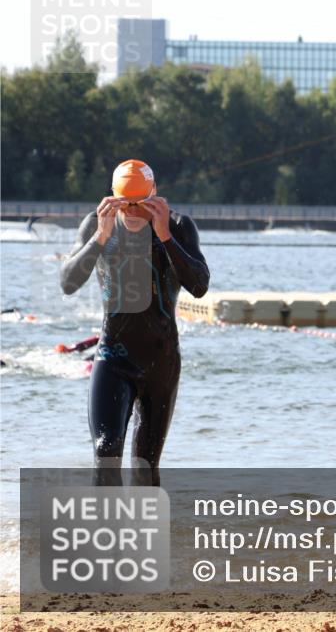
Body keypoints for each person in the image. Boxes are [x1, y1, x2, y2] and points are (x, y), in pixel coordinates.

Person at [60, 159, 210, 486]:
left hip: (161, 362)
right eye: (125, 203)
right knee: (106, 450)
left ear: (154, 193)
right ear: (113, 196)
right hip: (113, 358)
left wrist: (165, 236)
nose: (132, 211)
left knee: (145, 467)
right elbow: (68, 283)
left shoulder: (179, 226)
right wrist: (100, 236)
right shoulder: (97, 224)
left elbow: (199, 286)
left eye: (139, 203)